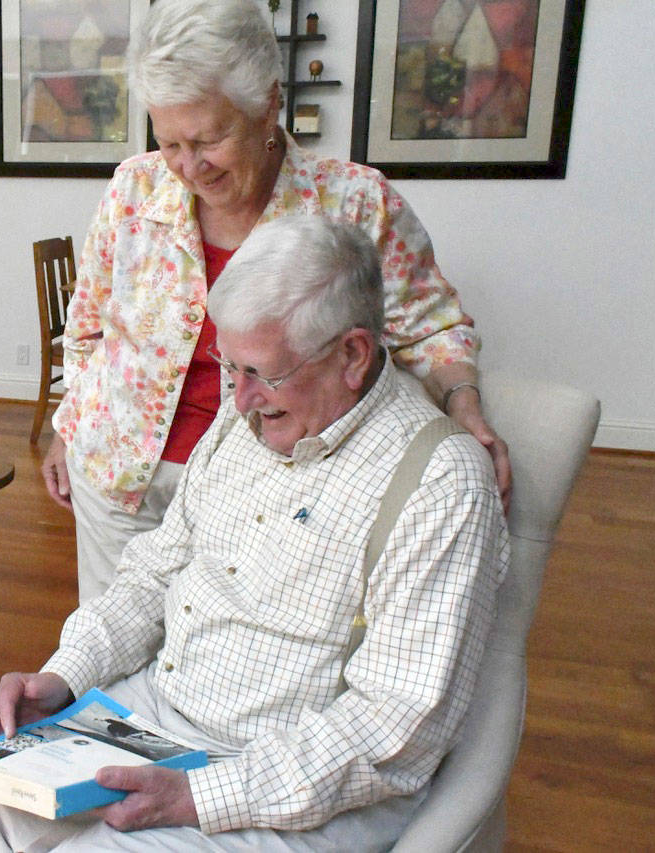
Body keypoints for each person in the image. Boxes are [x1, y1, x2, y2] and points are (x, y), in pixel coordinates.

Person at [0, 217, 508, 851]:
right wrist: (65, 677)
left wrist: (200, 797)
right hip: (153, 719)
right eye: (227, 368)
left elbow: (394, 726)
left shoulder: (441, 483)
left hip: (289, 776)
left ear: (353, 354)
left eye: (262, 373)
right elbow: (153, 575)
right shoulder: (246, 422)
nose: (239, 400)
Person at [41, 0, 510, 603]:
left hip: (273, 494)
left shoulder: (355, 205)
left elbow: (433, 329)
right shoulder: (133, 188)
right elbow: (88, 328)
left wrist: (466, 405)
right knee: (111, 657)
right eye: (170, 143)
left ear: (269, 102)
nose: (188, 166)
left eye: (209, 140)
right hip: (118, 477)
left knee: (225, 666)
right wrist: (69, 427)